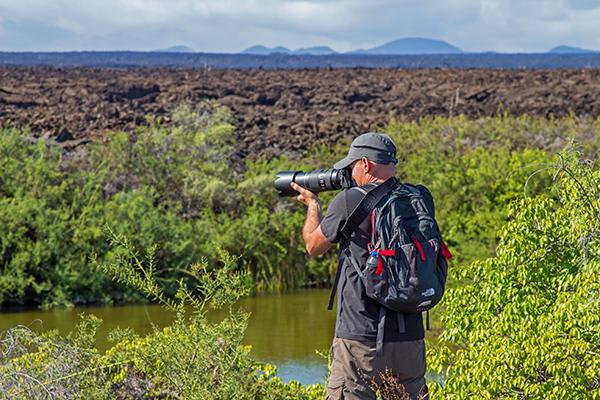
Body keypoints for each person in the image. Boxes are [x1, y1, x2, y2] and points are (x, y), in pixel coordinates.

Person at [291, 132, 429, 400]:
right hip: (410, 336)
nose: (350, 173)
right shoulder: (418, 197)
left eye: (352, 166)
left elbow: (313, 245)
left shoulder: (349, 199)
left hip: (360, 336)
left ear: (365, 164)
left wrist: (313, 205)